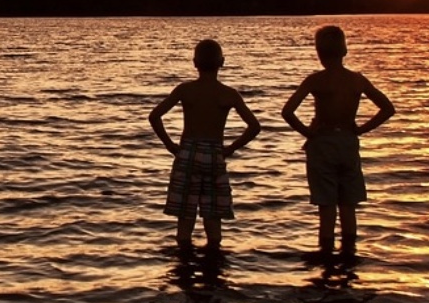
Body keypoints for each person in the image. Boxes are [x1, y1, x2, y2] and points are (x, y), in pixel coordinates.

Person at [280, 24, 395, 261]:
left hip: (322, 143)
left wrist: (308, 133)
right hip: (347, 142)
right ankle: (349, 256)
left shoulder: (315, 80)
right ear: (345, 50)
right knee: (348, 205)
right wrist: (361, 129)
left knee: (326, 207)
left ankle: (326, 256)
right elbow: (387, 109)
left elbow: (288, 111)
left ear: (319, 53)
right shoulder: (357, 80)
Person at [150, 39, 262, 249]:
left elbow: (155, 116)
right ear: (222, 62)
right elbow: (254, 127)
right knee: (213, 216)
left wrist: (170, 145)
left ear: (195, 63)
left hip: (188, 152)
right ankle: (213, 264)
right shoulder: (229, 94)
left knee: (185, 217)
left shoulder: (185, 90)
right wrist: (230, 149)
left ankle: (184, 263)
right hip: (214, 153)